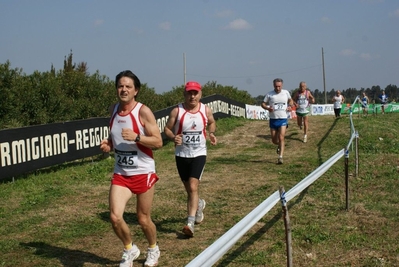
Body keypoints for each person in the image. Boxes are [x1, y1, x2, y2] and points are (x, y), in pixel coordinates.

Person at [100, 70, 162, 267]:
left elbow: (158, 142)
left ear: (136, 90)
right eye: (120, 86)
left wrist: (137, 137)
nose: (123, 89)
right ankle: (130, 248)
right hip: (121, 173)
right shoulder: (113, 110)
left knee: (143, 219)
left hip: (143, 172)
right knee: (115, 217)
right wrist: (109, 144)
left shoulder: (143, 111)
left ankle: (153, 248)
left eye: (128, 86)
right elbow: (116, 137)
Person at [163, 81, 217, 237]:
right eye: (189, 93)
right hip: (181, 154)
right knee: (189, 188)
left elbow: (212, 123)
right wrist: (173, 137)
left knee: (193, 186)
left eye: (195, 93)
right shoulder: (177, 111)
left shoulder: (205, 110)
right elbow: (167, 129)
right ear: (185, 94)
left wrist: (211, 133)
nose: (192, 96)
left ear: (200, 94)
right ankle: (198, 204)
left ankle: (190, 223)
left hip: (199, 153)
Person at [261, 78, 294, 164]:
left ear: (282, 85)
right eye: (276, 86)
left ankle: (280, 157)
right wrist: (268, 108)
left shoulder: (286, 93)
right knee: (274, 140)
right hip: (273, 119)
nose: (278, 88)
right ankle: (279, 145)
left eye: (279, 86)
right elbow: (263, 103)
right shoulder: (269, 94)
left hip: (283, 118)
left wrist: (290, 105)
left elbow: (290, 101)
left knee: (281, 137)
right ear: (273, 86)